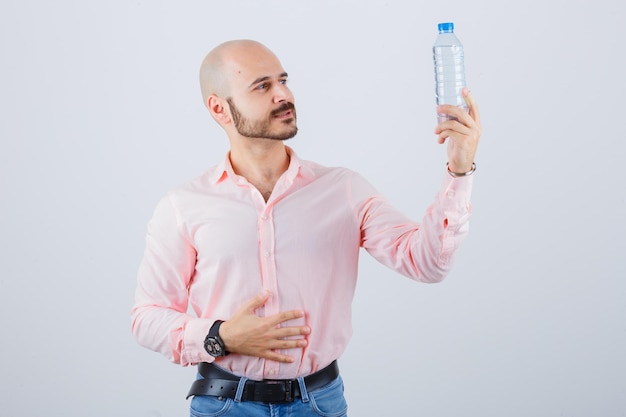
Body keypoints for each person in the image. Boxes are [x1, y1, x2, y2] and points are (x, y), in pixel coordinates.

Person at [131, 39, 481, 417]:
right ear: (220, 109)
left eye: (283, 80)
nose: (283, 94)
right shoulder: (184, 205)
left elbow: (428, 263)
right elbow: (147, 316)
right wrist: (220, 336)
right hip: (224, 404)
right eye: (262, 86)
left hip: (318, 404)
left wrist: (459, 170)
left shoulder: (342, 190)